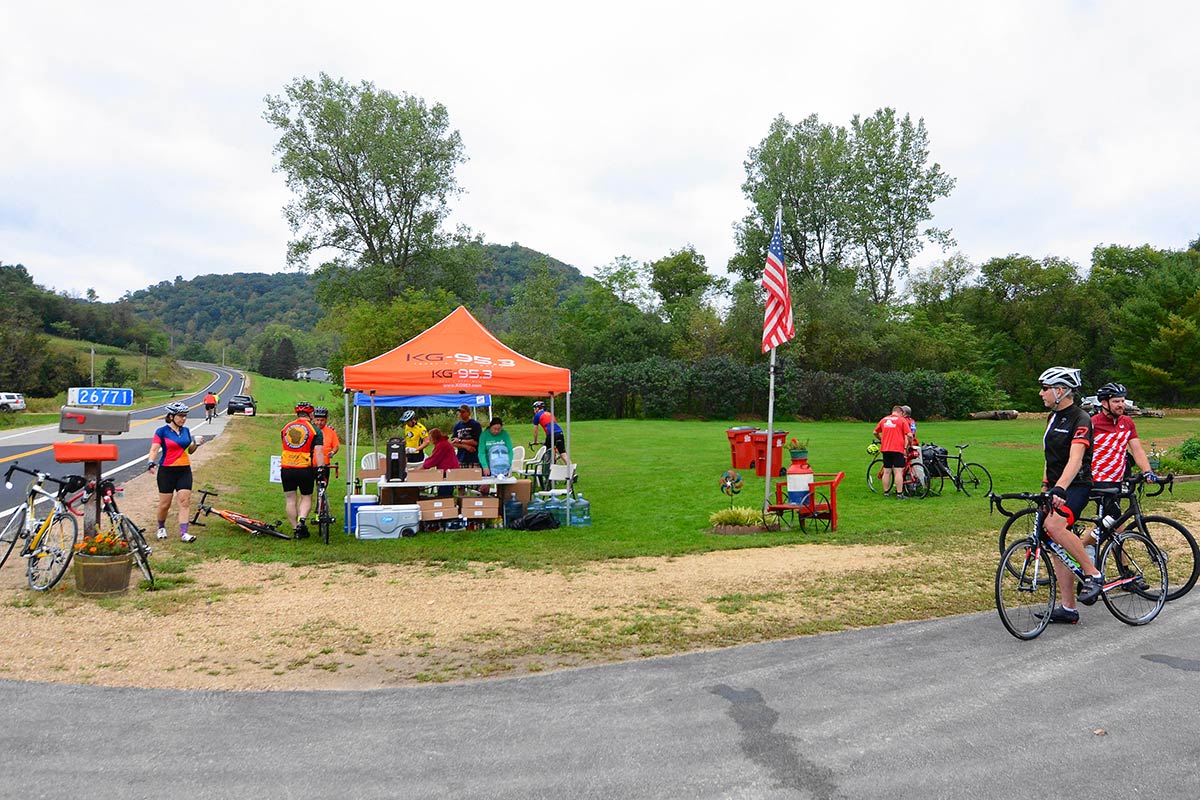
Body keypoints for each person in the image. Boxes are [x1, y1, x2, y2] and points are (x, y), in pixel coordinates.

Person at [1037, 366, 1104, 624]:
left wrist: (1061, 488)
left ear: (1061, 390)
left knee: (1055, 526)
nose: (1041, 393)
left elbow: (1075, 460)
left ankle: (1093, 573)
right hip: (1057, 486)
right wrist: (1046, 486)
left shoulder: (1081, 418)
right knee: (1055, 543)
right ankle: (1068, 608)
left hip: (1076, 485)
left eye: (1045, 388)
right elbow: (1050, 457)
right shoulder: (1052, 418)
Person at [1086, 382, 1158, 553]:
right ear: (1104, 403)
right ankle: (1080, 547)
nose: (1121, 405)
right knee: (1114, 518)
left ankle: (1122, 567)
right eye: (1116, 401)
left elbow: (1137, 450)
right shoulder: (1092, 423)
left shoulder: (1127, 422)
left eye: (1122, 401)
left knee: (1116, 526)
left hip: (1117, 480)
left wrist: (1147, 471)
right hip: (1098, 479)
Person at [147, 401, 204, 542]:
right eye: (180, 416)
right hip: (167, 471)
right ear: (171, 416)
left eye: (185, 416)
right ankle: (161, 527)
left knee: (185, 502)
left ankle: (184, 533)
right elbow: (154, 448)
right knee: (165, 504)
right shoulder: (161, 431)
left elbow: (190, 451)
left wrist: (196, 444)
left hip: (184, 470)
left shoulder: (186, 431)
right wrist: (151, 462)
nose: (183, 419)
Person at [280, 401, 326, 539]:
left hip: (286, 467)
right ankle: (302, 520)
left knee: (290, 499)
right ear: (310, 414)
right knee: (306, 496)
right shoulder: (314, 430)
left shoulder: (286, 427)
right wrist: (321, 468)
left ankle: (295, 529)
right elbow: (318, 452)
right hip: (304, 468)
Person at [873, 405, 912, 499]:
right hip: (897, 448)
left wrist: (881, 439)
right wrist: (909, 445)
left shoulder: (884, 420)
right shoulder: (902, 420)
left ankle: (886, 492)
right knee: (898, 471)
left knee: (887, 471)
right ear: (901, 412)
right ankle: (899, 493)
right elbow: (909, 435)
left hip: (885, 448)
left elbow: (875, 432)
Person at [421, 428, 460, 497]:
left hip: (448, 471)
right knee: (446, 491)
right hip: (450, 470)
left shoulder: (441, 445)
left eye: (430, 437)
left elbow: (434, 459)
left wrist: (422, 468)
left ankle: (445, 502)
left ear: (434, 437)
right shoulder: (443, 443)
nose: (429, 439)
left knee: (444, 493)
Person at [450, 404, 482, 468]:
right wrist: (465, 446)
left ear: (468, 413)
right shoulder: (457, 426)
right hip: (461, 458)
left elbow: (476, 442)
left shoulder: (475, 424)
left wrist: (460, 440)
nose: (461, 414)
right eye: (460, 412)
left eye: (463, 412)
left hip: (474, 458)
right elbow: (453, 442)